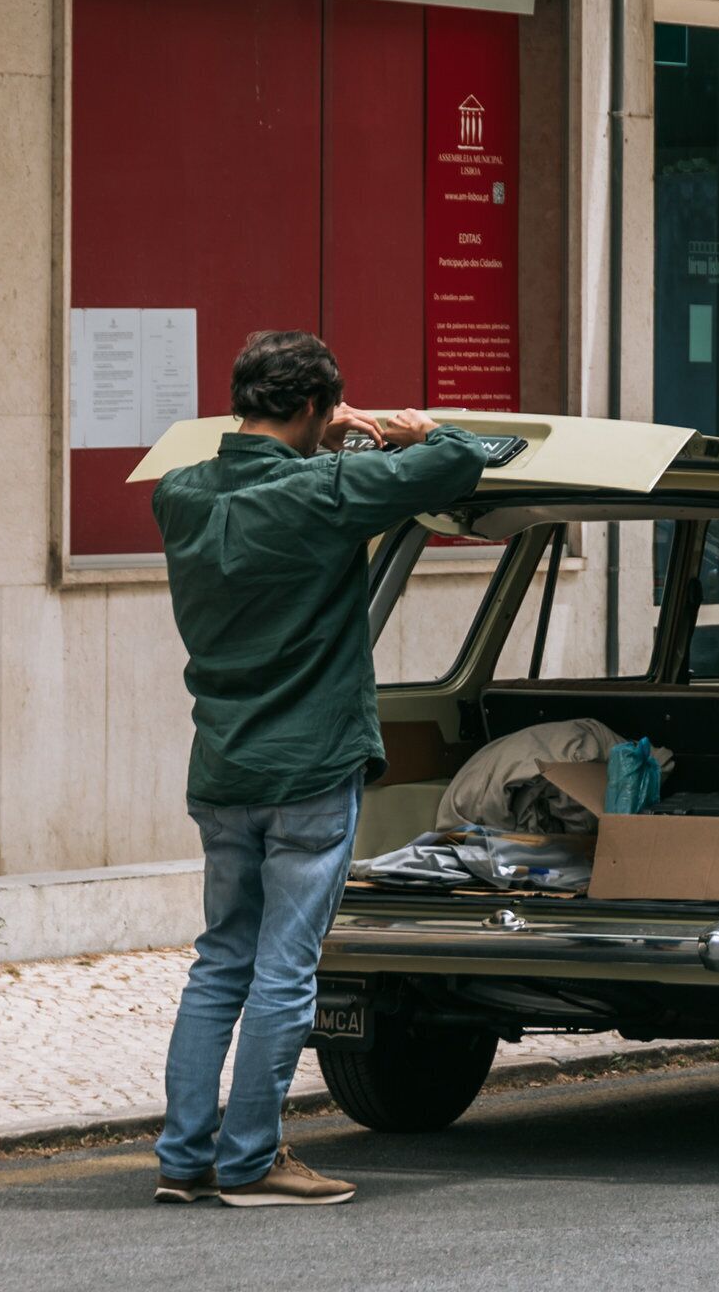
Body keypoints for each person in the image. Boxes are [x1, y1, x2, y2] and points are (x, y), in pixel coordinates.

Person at [149, 329, 517, 1209]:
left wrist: (326, 430)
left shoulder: (178, 497)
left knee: (219, 961)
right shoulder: (327, 488)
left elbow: (225, 470)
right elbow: (460, 461)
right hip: (311, 764)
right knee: (286, 966)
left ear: (242, 400)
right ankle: (251, 1163)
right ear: (314, 407)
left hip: (224, 763)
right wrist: (394, 430)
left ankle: (183, 1160)